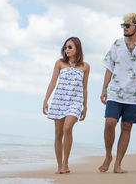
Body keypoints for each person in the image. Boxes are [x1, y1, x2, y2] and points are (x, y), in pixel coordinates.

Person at [98, 13, 136, 174]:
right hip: (115, 92)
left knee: (126, 127)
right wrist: (104, 89)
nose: (124, 28)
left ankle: (118, 164)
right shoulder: (116, 44)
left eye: (127, 25)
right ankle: (107, 156)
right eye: (123, 25)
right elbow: (109, 67)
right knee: (110, 123)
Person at [43, 37, 90, 174]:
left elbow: (85, 87)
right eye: (65, 47)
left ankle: (65, 163)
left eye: (70, 47)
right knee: (58, 133)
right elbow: (52, 82)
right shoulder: (60, 63)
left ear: (77, 48)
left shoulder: (85, 66)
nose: (67, 50)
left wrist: (85, 106)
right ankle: (59, 166)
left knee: (67, 127)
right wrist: (46, 100)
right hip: (59, 100)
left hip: (75, 102)